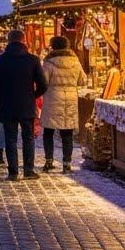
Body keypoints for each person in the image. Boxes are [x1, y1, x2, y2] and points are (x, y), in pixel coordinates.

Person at [0, 29, 48, 180]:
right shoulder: (33, 60)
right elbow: (43, 84)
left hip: (7, 104)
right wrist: (33, 96)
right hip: (27, 104)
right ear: (23, 40)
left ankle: (13, 172)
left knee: (10, 138)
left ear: (8, 41)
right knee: (28, 137)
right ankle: (28, 170)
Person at [40, 36, 88, 173]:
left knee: (48, 131)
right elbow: (82, 80)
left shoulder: (48, 62)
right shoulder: (75, 61)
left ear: (53, 46)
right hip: (70, 100)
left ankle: (49, 161)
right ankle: (67, 163)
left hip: (52, 99)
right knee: (67, 133)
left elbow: (44, 82)